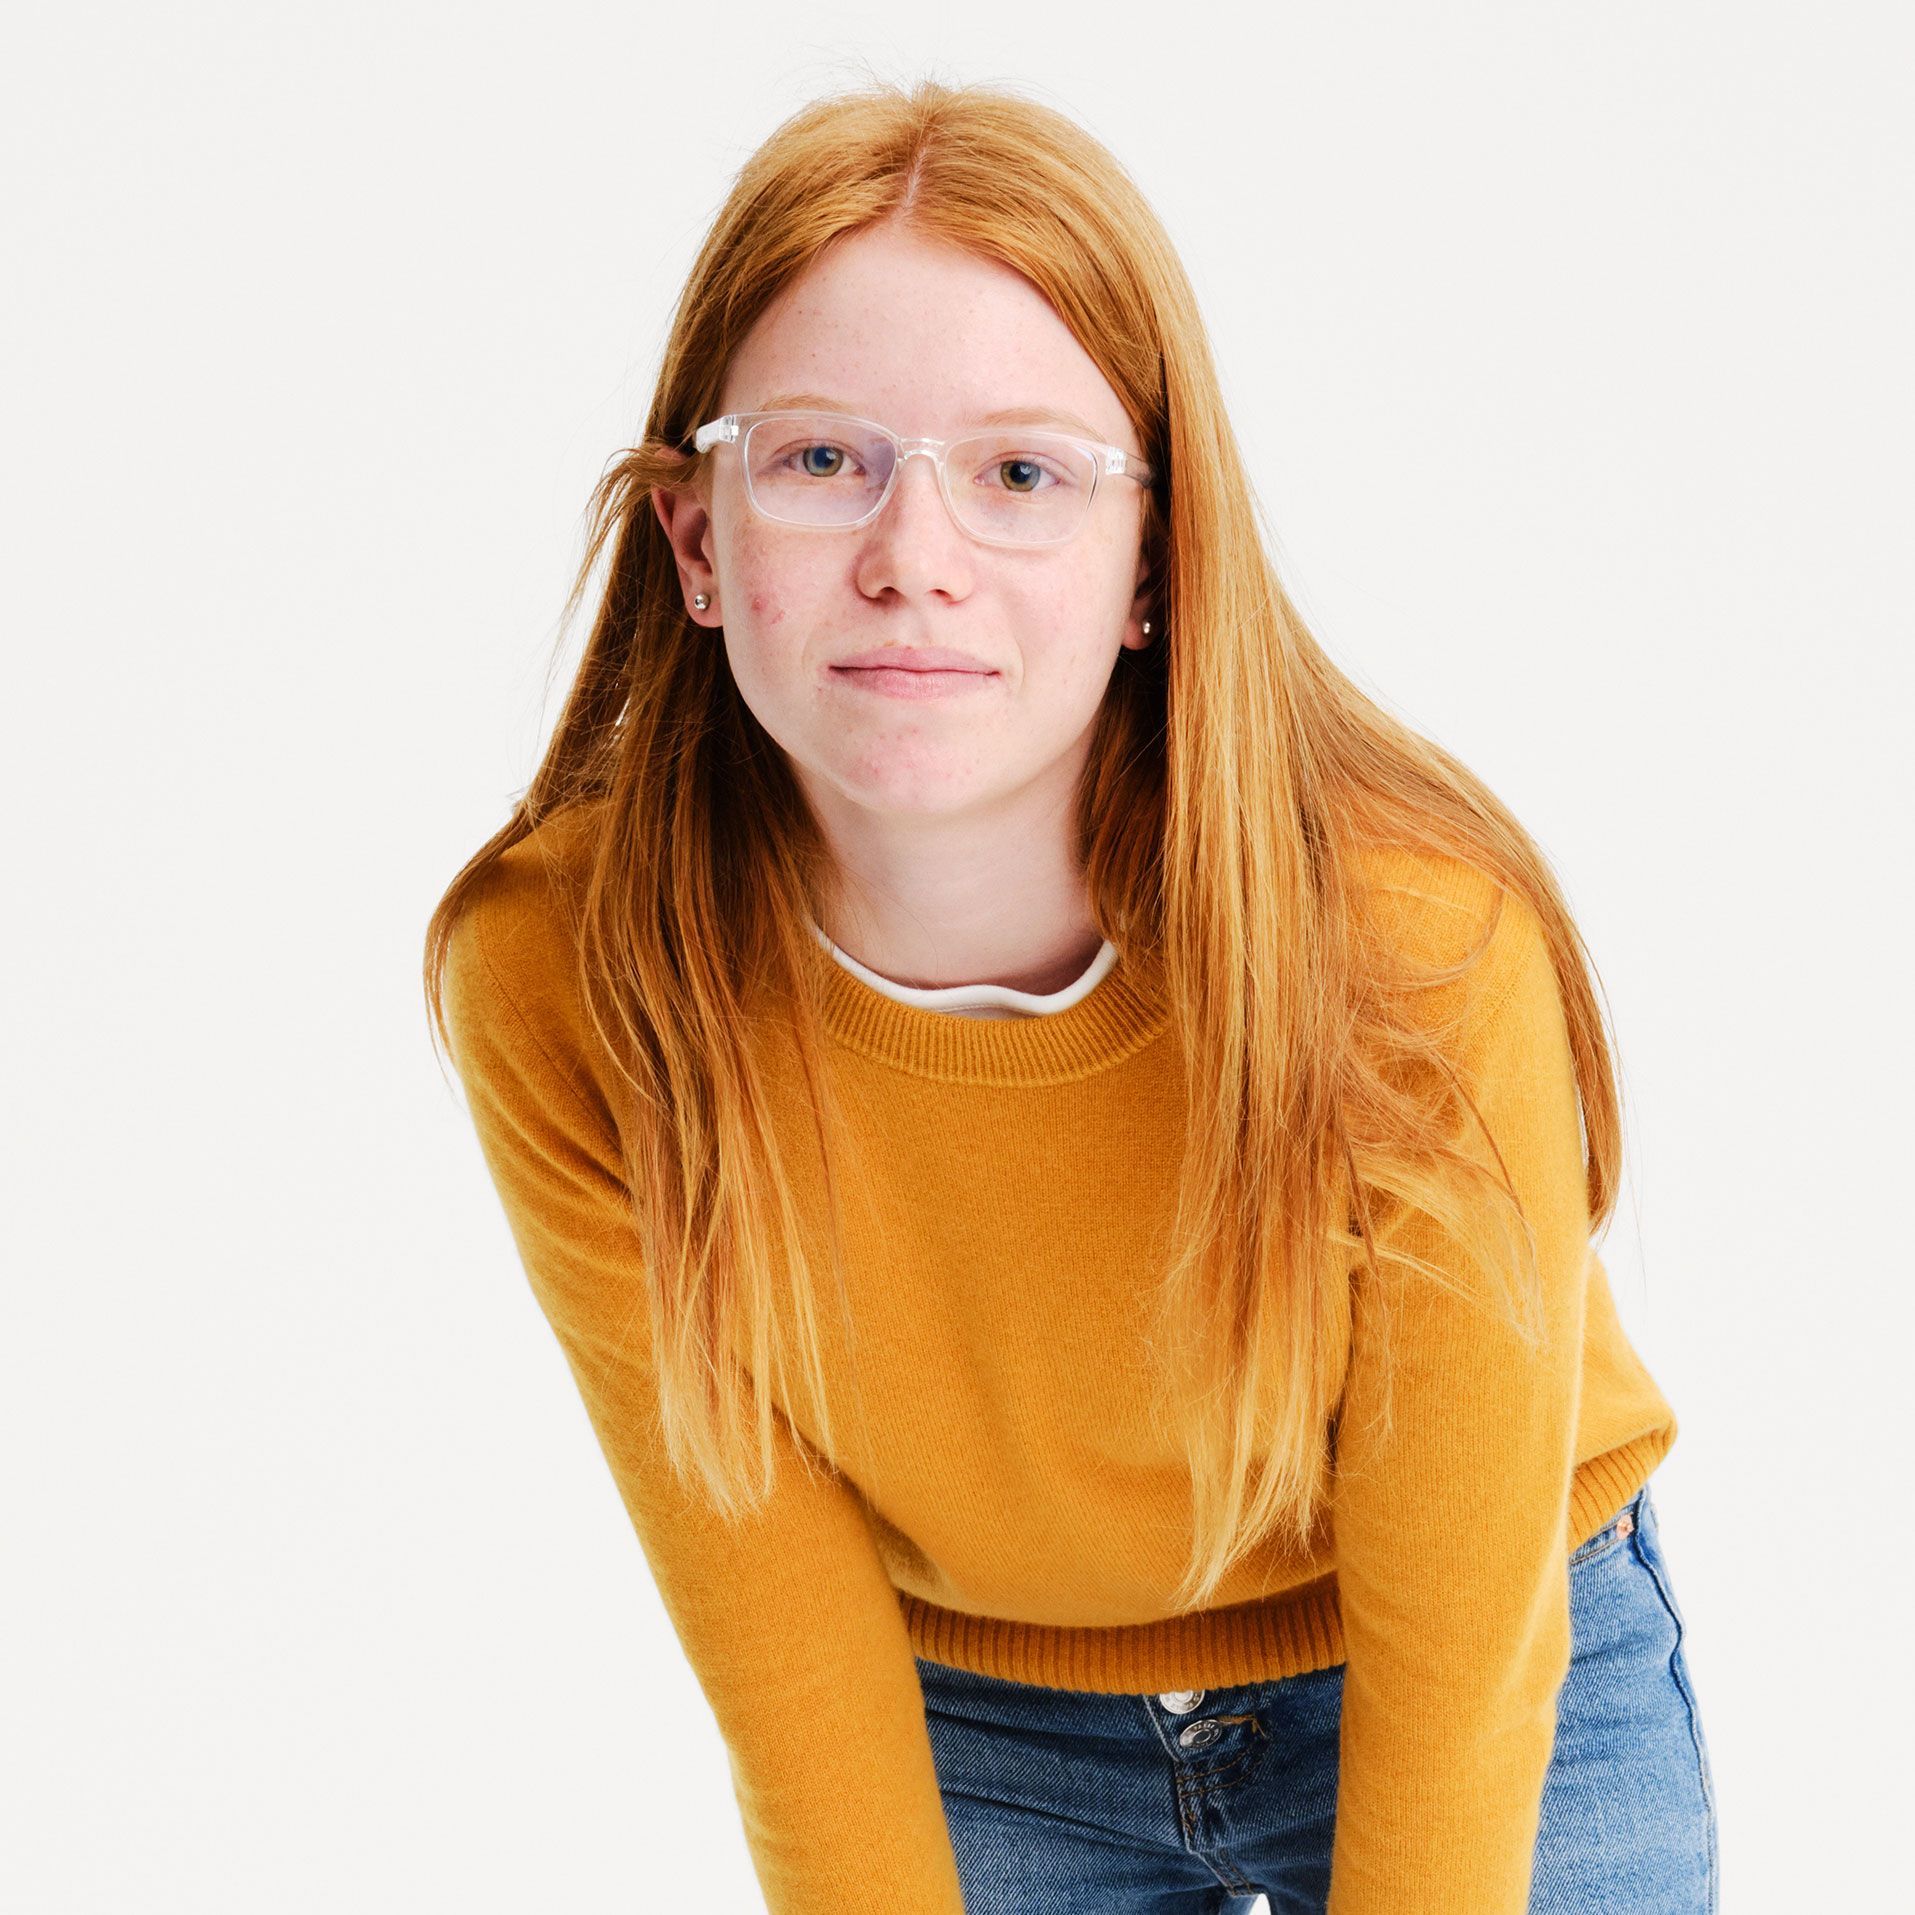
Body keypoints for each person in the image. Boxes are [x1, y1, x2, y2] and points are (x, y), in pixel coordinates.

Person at [423, 77, 1717, 1915]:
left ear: (1152, 568)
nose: (914, 559)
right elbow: (788, 1663)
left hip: (1468, 1659)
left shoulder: (1416, 949)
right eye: (820, 462)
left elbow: (1459, 1666)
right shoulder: (568, 977)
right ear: (696, 545)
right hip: (974, 1710)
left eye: (1023, 475)